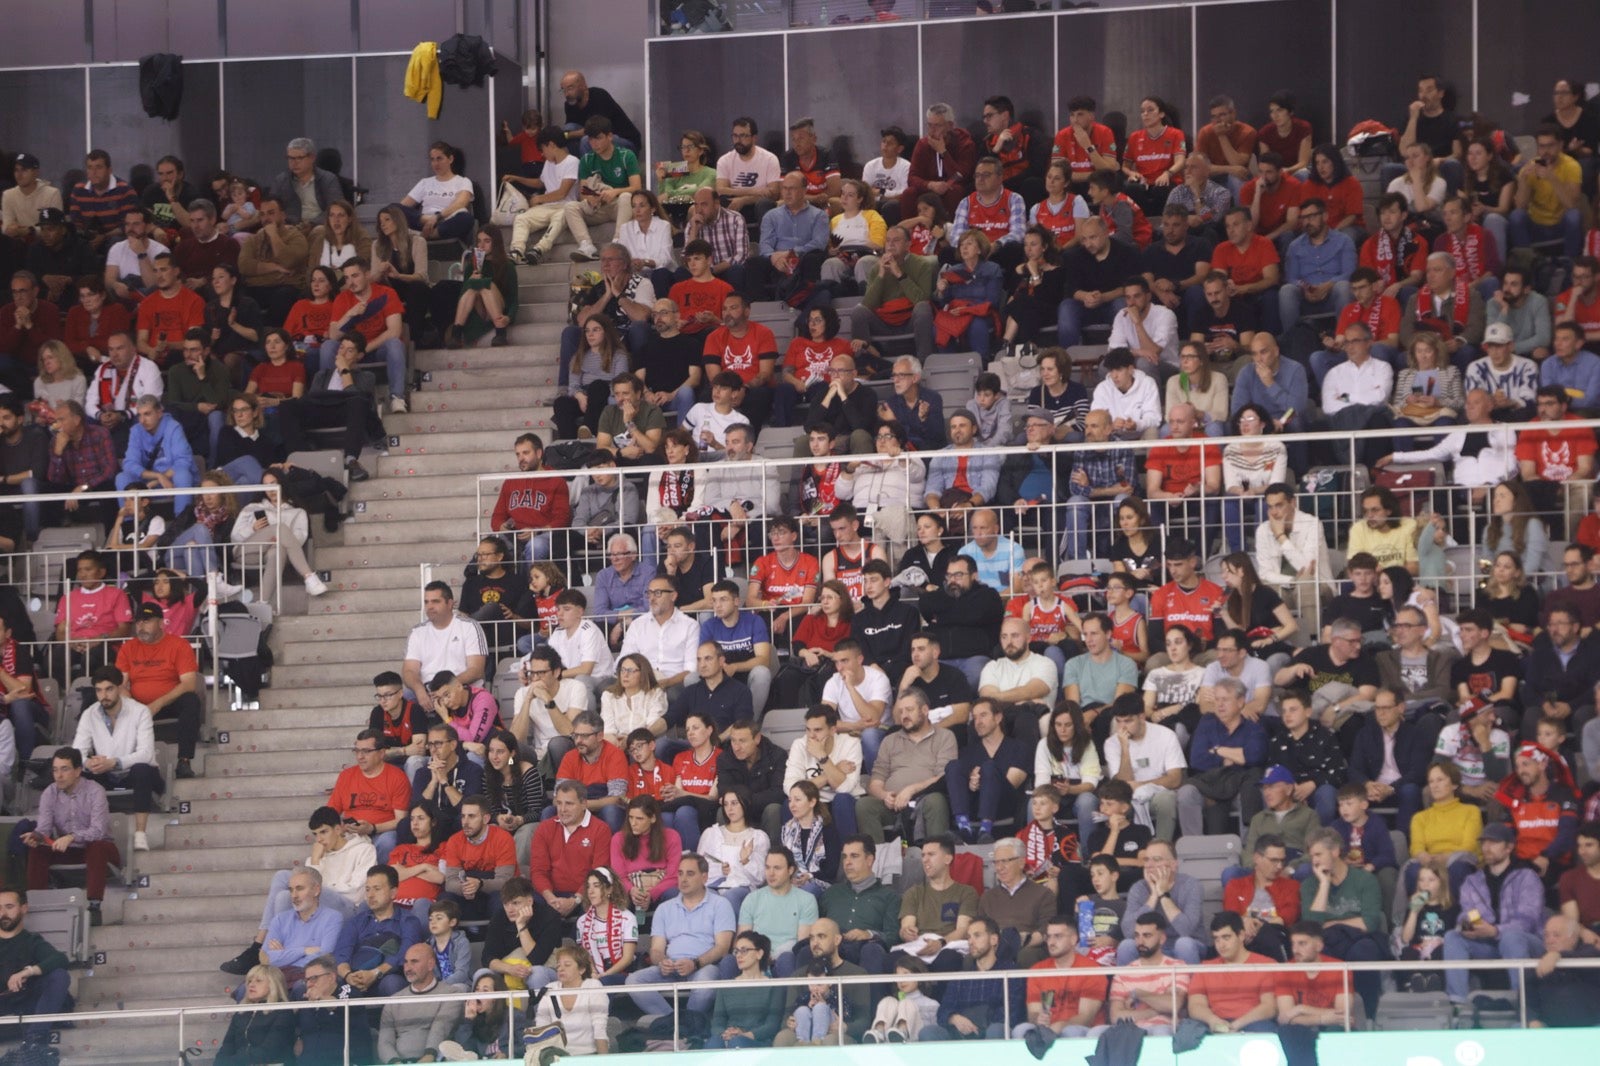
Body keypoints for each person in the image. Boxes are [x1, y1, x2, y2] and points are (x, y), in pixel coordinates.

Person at [625, 853, 736, 1035]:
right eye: (680, 873)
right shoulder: (664, 908)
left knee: (705, 983)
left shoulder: (720, 904)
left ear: (704, 877)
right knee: (633, 981)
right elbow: (656, 949)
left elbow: (722, 948)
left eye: (690, 874)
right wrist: (662, 961)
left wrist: (695, 963)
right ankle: (680, 1026)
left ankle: (679, 1028)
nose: (683, 879)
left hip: (703, 966)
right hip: (671, 967)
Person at [1441, 821, 1545, 1005]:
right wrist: (1470, 926)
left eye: (1493, 843)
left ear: (1509, 848)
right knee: (1452, 937)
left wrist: (1495, 931)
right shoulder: (1472, 881)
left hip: (1527, 942)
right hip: (1487, 943)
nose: (1487, 848)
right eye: (1484, 843)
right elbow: (1466, 913)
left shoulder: (1527, 876)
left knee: (1511, 937)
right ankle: (1458, 1004)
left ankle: (1522, 1004)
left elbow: (1528, 920)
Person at [1113, 838, 1204, 965]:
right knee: (1126, 946)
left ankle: (1190, 985)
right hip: (1151, 947)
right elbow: (1128, 931)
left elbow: (1186, 930)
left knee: (1184, 944)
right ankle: (1125, 985)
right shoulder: (1139, 888)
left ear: (1173, 865)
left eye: (1156, 860)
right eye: (1146, 859)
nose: (1149, 865)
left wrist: (1164, 895)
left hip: (1188, 946)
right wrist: (1154, 895)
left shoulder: (1190, 885)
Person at [375, 944, 463, 1062]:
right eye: (406, 962)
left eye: (414, 962)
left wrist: (428, 1057)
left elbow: (440, 1029)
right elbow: (385, 1042)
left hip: (436, 1061)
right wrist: (395, 1063)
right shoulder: (394, 1001)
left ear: (430, 964)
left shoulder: (451, 994)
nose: (408, 968)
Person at [1509, 124, 1583, 257]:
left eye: (1550, 145)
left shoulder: (1572, 166)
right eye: (1542, 146)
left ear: (1560, 145)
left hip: (1561, 224)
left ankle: (1571, 266)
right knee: (1516, 216)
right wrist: (1523, 181)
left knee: (1574, 216)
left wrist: (1552, 178)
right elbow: (1520, 206)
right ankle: (1527, 266)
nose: (1546, 151)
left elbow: (1572, 205)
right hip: (1536, 225)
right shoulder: (1529, 168)